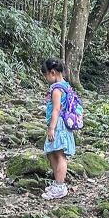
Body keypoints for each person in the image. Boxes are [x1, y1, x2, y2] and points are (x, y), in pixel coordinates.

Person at [41, 57, 75, 199]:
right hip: (64, 124)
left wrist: (51, 128)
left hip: (59, 125)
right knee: (51, 152)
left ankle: (60, 186)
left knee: (60, 155)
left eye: (46, 75)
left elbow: (56, 110)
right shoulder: (66, 85)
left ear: (53, 72)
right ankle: (57, 183)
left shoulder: (56, 90)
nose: (45, 78)